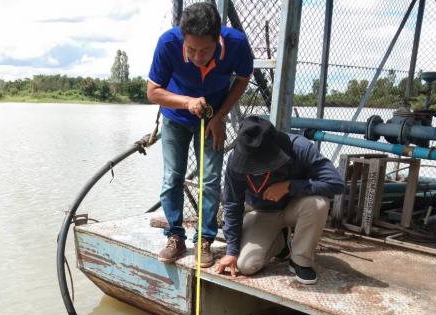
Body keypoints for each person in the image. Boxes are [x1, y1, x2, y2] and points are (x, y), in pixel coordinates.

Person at [147, 2, 253, 267]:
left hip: (211, 119)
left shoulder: (238, 44)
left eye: (205, 50)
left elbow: (242, 79)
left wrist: (220, 116)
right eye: (191, 49)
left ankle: (204, 239)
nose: (197, 56)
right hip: (176, 118)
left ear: (218, 38)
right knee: (173, 176)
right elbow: (152, 91)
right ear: (183, 38)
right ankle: (175, 236)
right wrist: (186, 102)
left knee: (210, 178)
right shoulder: (168, 43)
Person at [215, 116, 344, 284]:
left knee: (318, 203)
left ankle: (300, 260)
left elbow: (336, 184)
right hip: (262, 212)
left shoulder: (300, 147)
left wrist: (289, 186)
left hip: (295, 207)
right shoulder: (236, 160)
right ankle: (281, 243)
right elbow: (232, 204)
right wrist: (231, 251)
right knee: (246, 265)